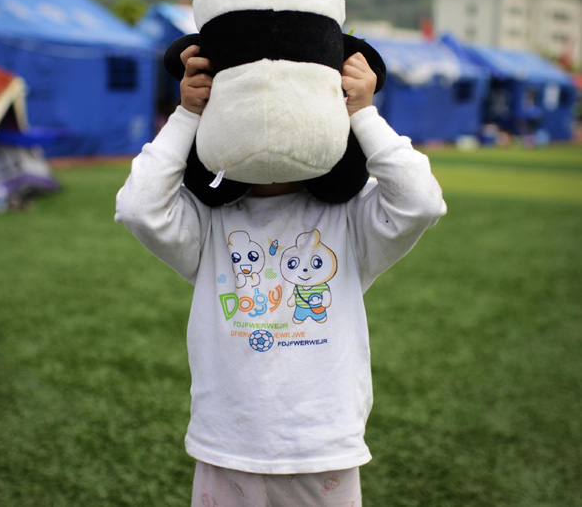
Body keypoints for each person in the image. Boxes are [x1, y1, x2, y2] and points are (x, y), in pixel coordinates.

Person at [115, 44, 447, 507]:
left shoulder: (350, 218)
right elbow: (138, 208)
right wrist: (187, 113)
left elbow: (422, 202)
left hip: (323, 451)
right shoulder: (210, 222)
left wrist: (364, 114)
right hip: (226, 447)